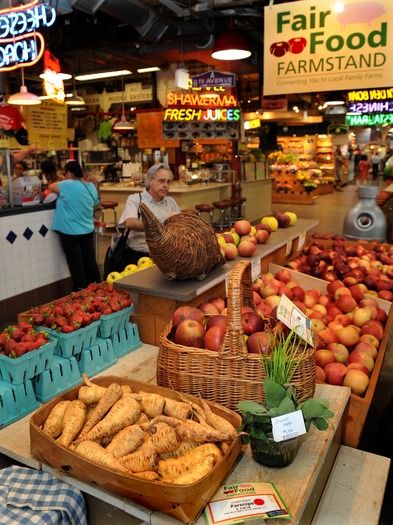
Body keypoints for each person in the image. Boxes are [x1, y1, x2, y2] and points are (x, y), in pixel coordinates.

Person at [48, 160, 101, 291]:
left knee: (76, 266)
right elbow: (95, 201)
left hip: (70, 232)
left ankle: (80, 293)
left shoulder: (67, 184)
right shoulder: (90, 186)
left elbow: (51, 186)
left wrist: (62, 179)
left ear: (69, 172)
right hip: (87, 230)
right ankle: (97, 289)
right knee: (90, 262)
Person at [118, 163, 180, 265]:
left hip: (165, 256)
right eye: (161, 181)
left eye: (169, 182)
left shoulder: (171, 202)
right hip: (138, 256)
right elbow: (130, 222)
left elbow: (179, 228)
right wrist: (164, 220)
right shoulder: (135, 199)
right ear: (150, 181)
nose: (166, 185)